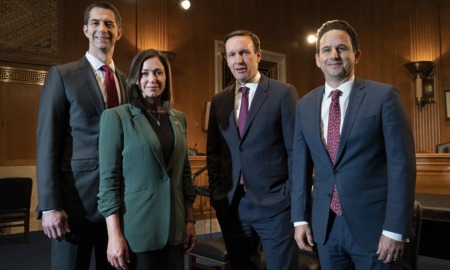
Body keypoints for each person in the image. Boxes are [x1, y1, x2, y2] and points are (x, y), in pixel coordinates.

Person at [291, 20, 416, 269]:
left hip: (376, 228)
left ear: (356, 55)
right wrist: (299, 219)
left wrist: (394, 230)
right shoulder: (304, 105)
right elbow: (300, 167)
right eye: (326, 50)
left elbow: (402, 166)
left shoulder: (384, 97)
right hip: (325, 227)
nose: (334, 55)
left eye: (342, 48)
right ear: (317, 59)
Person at [36, 2, 126, 269]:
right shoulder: (62, 75)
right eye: (96, 23)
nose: (102, 29)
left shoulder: (127, 81)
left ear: (119, 32)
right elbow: (47, 143)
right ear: (86, 29)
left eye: (109, 24)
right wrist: (50, 205)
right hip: (74, 206)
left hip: (118, 205)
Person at [207, 30, 299, 270]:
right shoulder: (219, 100)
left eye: (244, 52)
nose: (238, 60)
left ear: (258, 55)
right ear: (226, 59)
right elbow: (214, 152)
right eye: (232, 54)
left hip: (276, 205)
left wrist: (290, 195)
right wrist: (218, 193)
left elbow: (295, 152)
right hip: (232, 205)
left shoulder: (283, 93)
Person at [97, 49, 197, 270]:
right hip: (138, 231)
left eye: (158, 73)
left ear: (166, 78)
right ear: (135, 79)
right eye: (145, 73)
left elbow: (185, 175)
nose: (152, 79)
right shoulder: (116, 117)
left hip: (175, 229)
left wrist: (190, 221)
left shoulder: (179, 118)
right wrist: (113, 236)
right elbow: (108, 182)